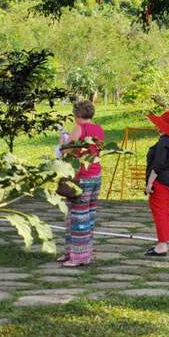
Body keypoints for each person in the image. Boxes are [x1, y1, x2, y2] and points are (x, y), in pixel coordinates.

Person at [58, 99, 104, 267]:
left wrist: (62, 142)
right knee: (89, 215)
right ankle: (80, 253)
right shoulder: (99, 129)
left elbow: (67, 151)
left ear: (77, 114)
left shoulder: (79, 128)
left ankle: (77, 257)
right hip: (96, 175)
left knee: (77, 216)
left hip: (81, 177)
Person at [144, 110, 169, 256]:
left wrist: (149, 183)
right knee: (164, 212)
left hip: (160, 180)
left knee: (160, 212)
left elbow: (158, 165)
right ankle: (163, 242)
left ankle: (162, 245)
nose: (156, 126)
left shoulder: (164, 142)